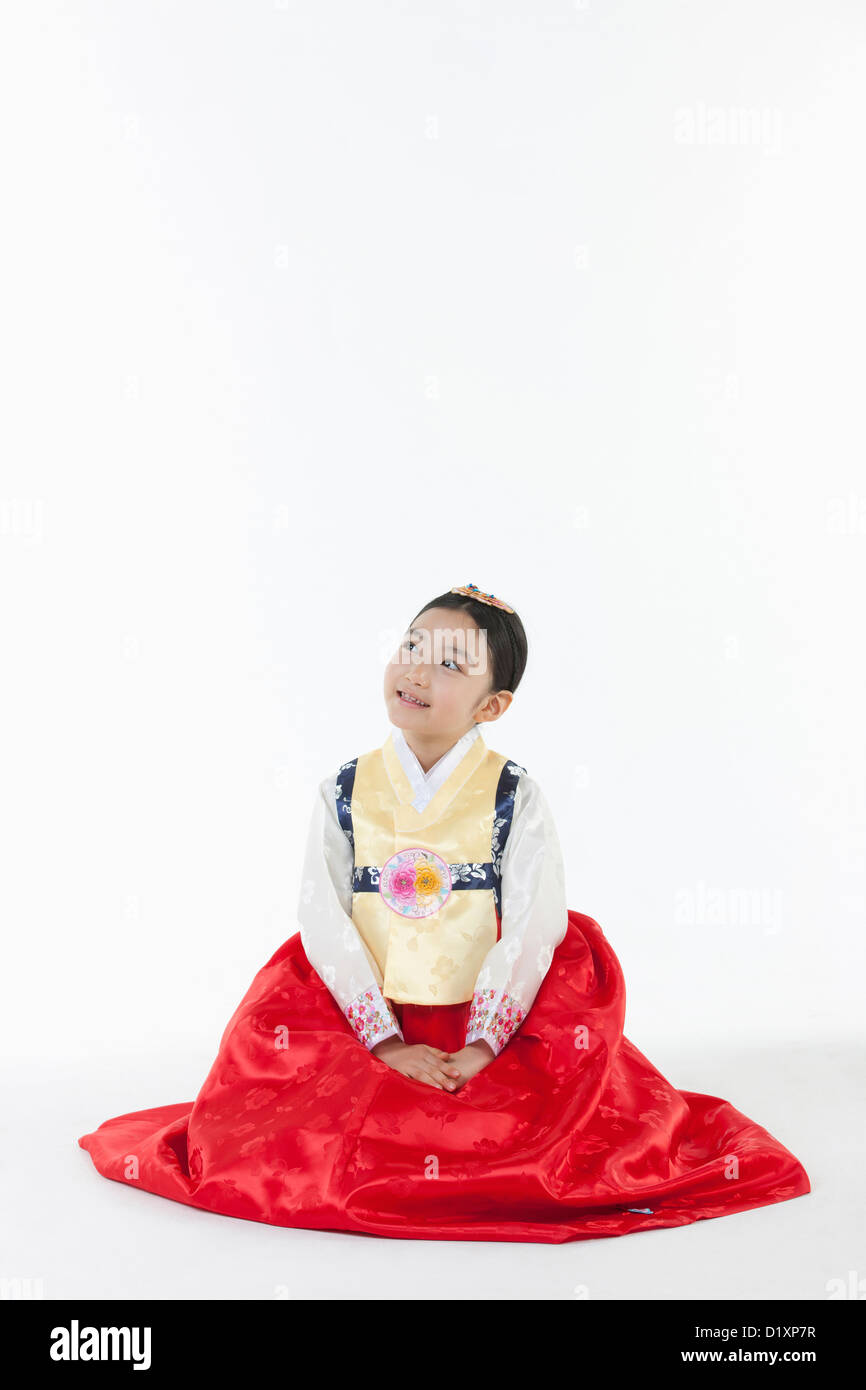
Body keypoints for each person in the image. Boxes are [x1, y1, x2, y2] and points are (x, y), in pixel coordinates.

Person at [78, 583, 811, 1243]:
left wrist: (487, 1043)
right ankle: (380, 1080)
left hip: (484, 1012)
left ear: (493, 706)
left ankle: (474, 1099)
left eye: (453, 664)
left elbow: (532, 921)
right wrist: (383, 1039)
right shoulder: (345, 787)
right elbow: (325, 916)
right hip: (366, 1009)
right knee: (269, 1132)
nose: (419, 671)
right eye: (411, 647)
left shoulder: (511, 794)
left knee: (531, 1133)